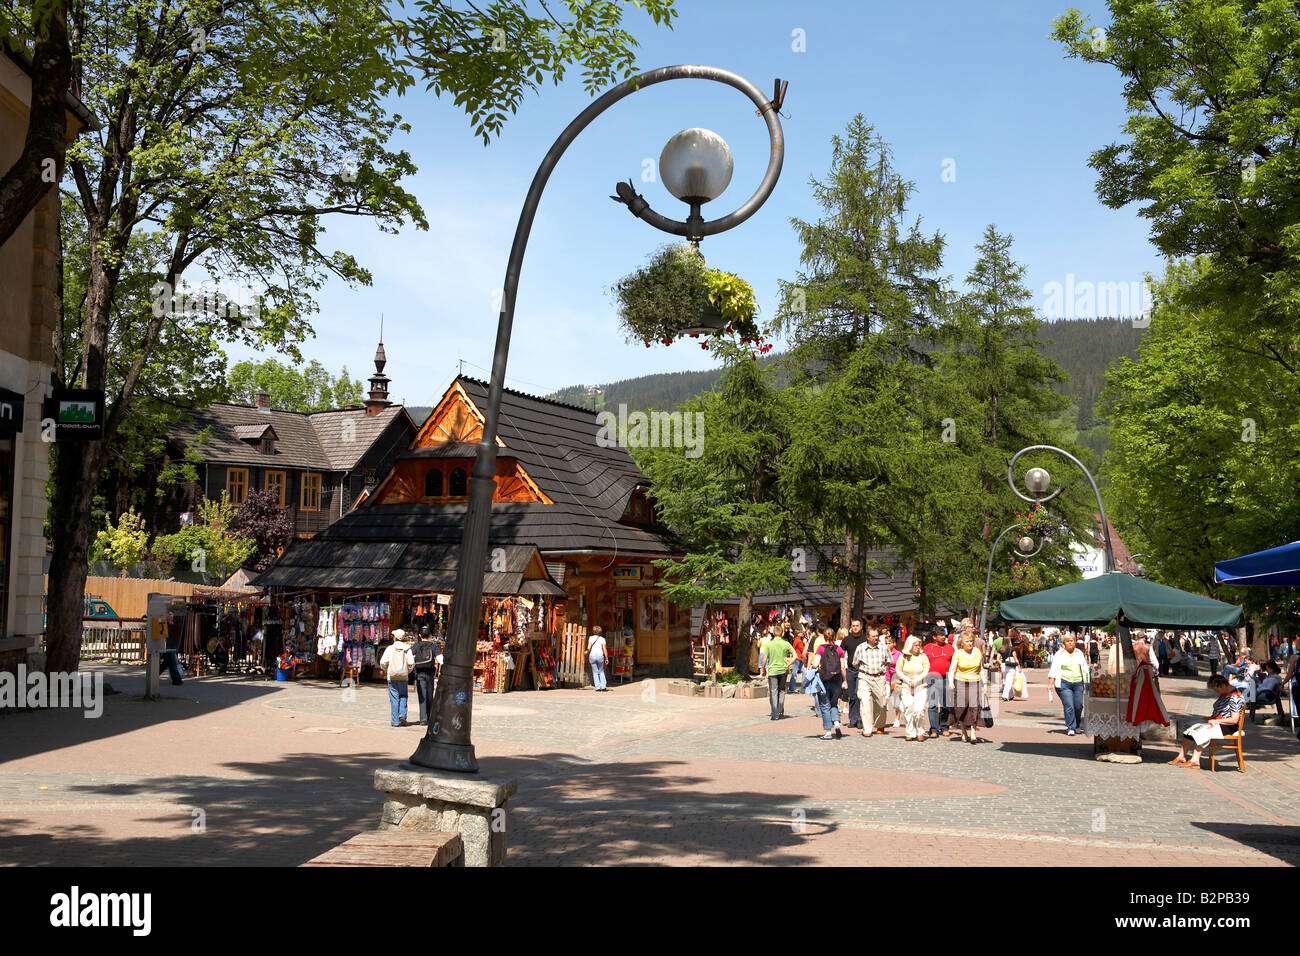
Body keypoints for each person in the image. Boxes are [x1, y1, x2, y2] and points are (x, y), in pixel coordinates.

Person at [1170, 676, 1243, 768]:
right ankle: (1181, 756)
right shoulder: (1226, 693)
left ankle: (1195, 761)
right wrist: (1210, 718)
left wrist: (1216, 720)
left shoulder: (1235, 697)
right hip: (1219, 722)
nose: (1216, 692)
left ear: (1223, 685)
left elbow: (1234, 720)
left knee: (1201, 731)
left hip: (1228, 726)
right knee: (1190, 727)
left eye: (1217, 689)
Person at [852, 627, 892, 737]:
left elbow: (889, 661)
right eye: (873, 636)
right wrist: (864, 671)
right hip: (864, 677)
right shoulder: (860, 648)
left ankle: (879, 725)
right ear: (868, 637)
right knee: (865, 702)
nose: (876, 637)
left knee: (882, 703)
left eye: (877, 635)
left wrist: (882, 671)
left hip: (879, 678)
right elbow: (855, 663)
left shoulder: (883, 648)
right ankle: (867, 729)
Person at [1048, 633, 1091, 736]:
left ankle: (1076, 725)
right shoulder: (1059, 654)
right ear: (1063, 643)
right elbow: (1054, 669)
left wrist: (1088, 682)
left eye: (1072, 640)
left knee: (1078, 706)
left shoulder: (1079, 653)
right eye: (1068, 641)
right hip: (1064, 683)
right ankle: (1070, 727)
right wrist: (1050, 683)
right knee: (1069, 706)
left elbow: (1085, 668)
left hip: (1078, 683)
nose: (1070, 642)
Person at [948, 631, 984, 744]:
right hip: (960, 682)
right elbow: (952, 669)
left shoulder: (977, 652)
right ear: (962, 643)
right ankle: (964, 731)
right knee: (961, 708)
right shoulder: (958, 653)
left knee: (975, 707)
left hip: (975, 681)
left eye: (971, 641)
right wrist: (950, 681)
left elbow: (981, 669)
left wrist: (985, 683)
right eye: (967, 641)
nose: (970, 643)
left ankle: (973, 732)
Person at [811, 627, 846, 739]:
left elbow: (815, 664)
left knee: (825, 705)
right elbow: (843, 667)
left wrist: (813, 665)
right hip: (836, 679)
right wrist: (844, 680)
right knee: (834, 703)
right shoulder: (839, 649)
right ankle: (836, 722)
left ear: (824, 637)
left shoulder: (821, 649)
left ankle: (828, 732)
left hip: (824, 679)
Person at [895, 636, 931, 741]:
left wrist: (917, 680)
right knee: (908, 708)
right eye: (915, 645)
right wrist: (906, 680)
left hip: (920, 685)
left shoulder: (923, 656)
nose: (918, 647)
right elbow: (899, 670)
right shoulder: (903, 657)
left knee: (919, 709)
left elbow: (926, 670)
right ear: (910, 645)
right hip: (906, 685)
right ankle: (910, 731)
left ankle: (920, 731)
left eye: (919, 645)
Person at [379, 629, 415, 727]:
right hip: (403, 677)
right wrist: (407, 671)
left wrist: (387, 670)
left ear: (395, 637)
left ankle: (395, 721)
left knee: (394, 698)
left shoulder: (390, 648)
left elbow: (383, 662)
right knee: (403, 695)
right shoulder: (408, 649)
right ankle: (402, 715)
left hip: (392, 676)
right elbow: (411, 663)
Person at [923, 630, 956, 737]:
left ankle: (944, 726)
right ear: (934, 637)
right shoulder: (927, 648)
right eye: (941, 635)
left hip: (946, 679)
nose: (943, 637)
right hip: (932, 679)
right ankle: (934, 729)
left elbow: (954, 664)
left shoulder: (950, 648)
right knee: (932, 705)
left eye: (944, 635)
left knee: (945, 705)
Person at [841, 619, 867, 730]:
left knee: (860, 695)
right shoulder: (847, 640)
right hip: (851, 670)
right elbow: (841, 654)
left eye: (857, 625)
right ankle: (853, 719)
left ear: (861, 627)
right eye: (853, 626)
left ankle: (861, 719)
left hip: (863, 670)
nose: (855, 627)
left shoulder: (865, 639)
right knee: (852, 695)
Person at [765, 627, 794, 720]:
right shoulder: (786, 644)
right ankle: (780, 710)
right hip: (783, 670)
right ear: (782, 634)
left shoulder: (769, 644)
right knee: (781, 691)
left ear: (773, 633)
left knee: (773, 691)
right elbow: (795, 655)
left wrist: (762, 669)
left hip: (772, 671)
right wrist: (788, 663)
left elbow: (764, 658)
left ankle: (774, 713)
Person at [411, 626, 437, 725]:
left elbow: (410, 656)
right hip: (430, 673)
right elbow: (439, 657)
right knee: (430, 695)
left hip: (419, 672)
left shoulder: (416, 645)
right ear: (430, 635)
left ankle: (423, 719)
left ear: (420, 635)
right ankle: (430, 717)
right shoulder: (433, 645)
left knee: (422, 695)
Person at [588, 625, 609, 692]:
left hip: (592, 656)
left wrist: (586, 651)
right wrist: (606, 658)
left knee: (595, 672)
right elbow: (604, 650)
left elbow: (589, 647)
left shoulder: (590, 638)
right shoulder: (602, 639)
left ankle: (597, 687)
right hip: (600, 656)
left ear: (593, 631)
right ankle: (603, 686)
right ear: (600, 632)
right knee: (601, 671)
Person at [789, 628, 806, 693]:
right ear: (798, 634)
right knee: (795, 672)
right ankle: (793, 688)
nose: (802, 633)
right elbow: (802, 649)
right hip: (798, 658)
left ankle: (794, 687)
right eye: (801, 633)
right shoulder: (798, 641)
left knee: (797, 672)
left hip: (798, 658)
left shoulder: (797, 640)